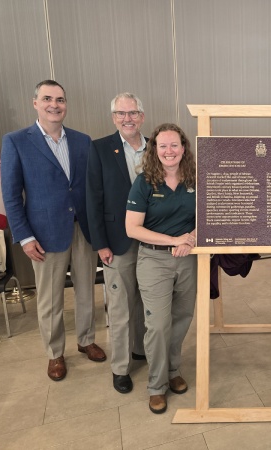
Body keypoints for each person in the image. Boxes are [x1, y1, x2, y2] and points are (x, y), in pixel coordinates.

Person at [1, 80, 106, 382]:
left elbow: (89, 188)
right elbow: (10, 195)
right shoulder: (17, 141)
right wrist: (24, 236)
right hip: (43, 234)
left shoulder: (82, 140)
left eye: (60, 99)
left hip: (83, 230)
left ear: (65, 105)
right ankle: (55, 353)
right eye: (47, 98)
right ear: (35, 102)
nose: (54, 105)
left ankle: (86, 340)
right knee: (49, 299)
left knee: (87, 289)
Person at [125, 123, 197, 414]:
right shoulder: (144, 182)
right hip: (154, 260)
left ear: (183, 148)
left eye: (174, 145)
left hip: (189, 259)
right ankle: (156, 386)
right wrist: (172, 240)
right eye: (163, 146)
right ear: (154, 149)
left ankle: (172, 370)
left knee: (181, 319)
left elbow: (211, 213)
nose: (169, 151)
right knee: (157, 325)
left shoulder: (195, 178)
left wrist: (191, 238)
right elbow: (132, 228)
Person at [86, 93, 148, 394]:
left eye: (133, 112)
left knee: (146, 301)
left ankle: (140, 349)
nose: (128, 118)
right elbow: (92, 200)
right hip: (116, 242)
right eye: (121, 113)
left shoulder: (157, 147)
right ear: (113, 118)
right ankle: (121, 367)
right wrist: (100, 244)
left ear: (142, 116)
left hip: (152, 241)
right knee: (121, 307)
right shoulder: (98, 149)